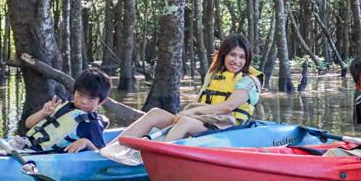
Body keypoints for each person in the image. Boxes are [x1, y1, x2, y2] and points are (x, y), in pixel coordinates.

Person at [106, 33, 262, 145]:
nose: (236, 61)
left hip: (228, 126)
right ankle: (109, 149)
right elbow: (198, 101)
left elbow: (228, 107)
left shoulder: (247, 81)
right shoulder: (214, 75)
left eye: (242, 57)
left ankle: (157, 158)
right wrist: (185, 112)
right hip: (204, 121)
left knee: (186, 122)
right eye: (232, 55)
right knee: (155, 113)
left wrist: (191, 113)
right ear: (223, 55)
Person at [0, 67, 111, 160]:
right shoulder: (62, 106)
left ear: (101, 101)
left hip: (40, 156)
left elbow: (101, 154)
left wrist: (86, 142)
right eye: (80, 94)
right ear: (74, 92)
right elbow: (28, 124)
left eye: (91, 98)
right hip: (22, 144)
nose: (84, 101)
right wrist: (43, 113)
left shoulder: (91, 123)